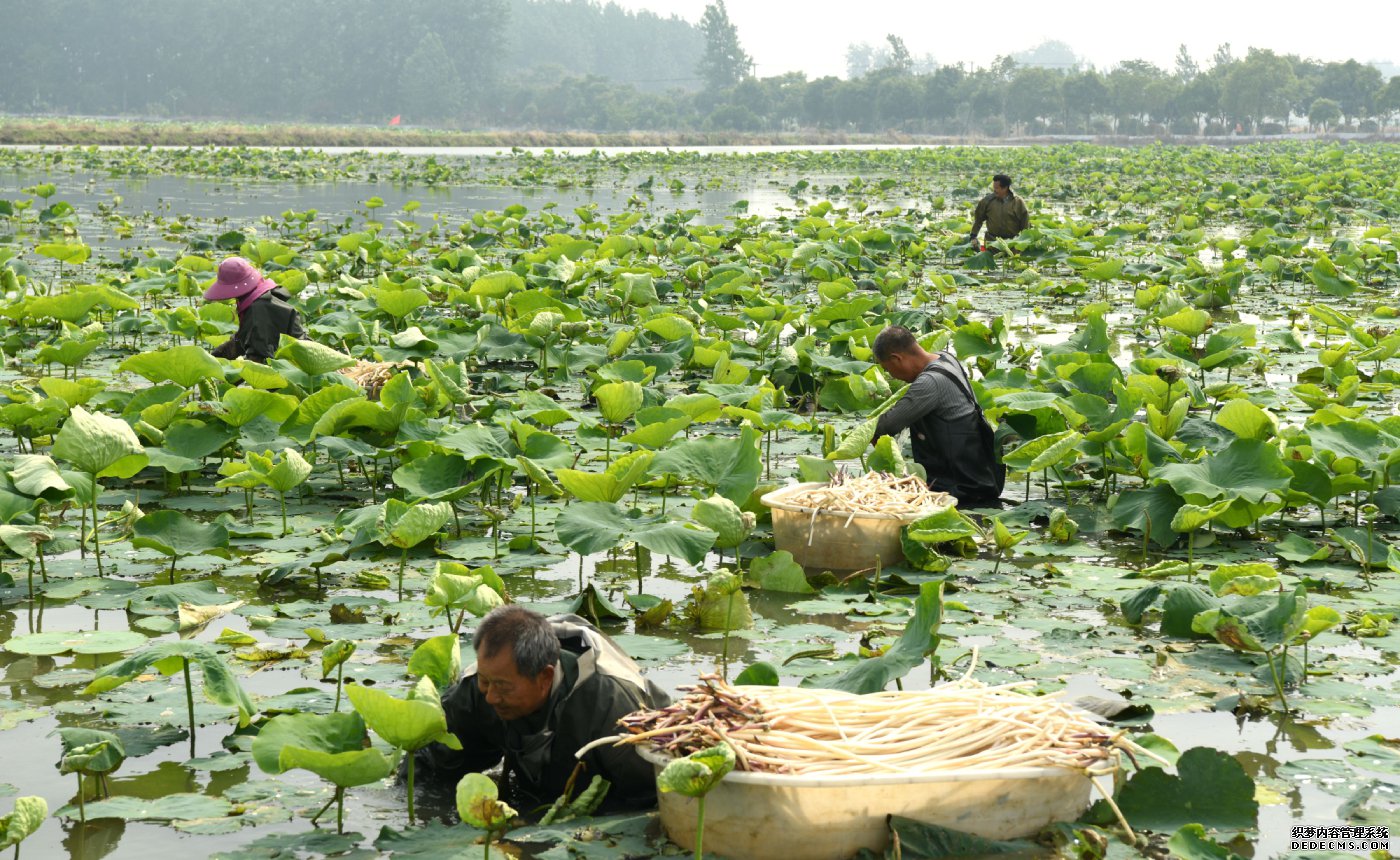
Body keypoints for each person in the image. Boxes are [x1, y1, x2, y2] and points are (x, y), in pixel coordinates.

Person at [413, 606, 670, 814]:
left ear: (545, 677)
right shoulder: (474, 691)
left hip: (609, 774)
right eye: (485, 681)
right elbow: (429, 768)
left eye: (502, 687)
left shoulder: (613, 707)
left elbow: (652, 803)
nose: (490, 697)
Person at [870, 326, 1005, 507]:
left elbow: (886, 427)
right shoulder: (946, 358)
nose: (891, 376)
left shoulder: (930, 382)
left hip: (963, 489)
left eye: (888, 369)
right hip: (980, 478)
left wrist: (865, 431)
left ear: (897, 359)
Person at [203, 256, 306, 363]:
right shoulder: (259, 298)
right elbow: (243, 336)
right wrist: (227, 348)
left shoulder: (259, 309)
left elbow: (259, 358)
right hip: (291, 359)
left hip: (299, 361)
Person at [967, 174, 1030, 248]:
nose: (994, 190)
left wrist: (1025, 242)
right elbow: (978, 220)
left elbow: (1025, 224)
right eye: (994, 188)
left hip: (1012, 242)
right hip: (991, 242)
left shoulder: (1018, 202)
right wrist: (973, 236)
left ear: (1005, 188)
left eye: (996, 188)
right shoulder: (987, 201)